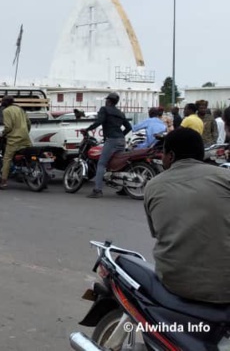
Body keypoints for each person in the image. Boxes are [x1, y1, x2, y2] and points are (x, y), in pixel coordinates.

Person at [144, 128, 230, 304]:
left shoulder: (153, 186)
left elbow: (157, 232)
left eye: (163, 153)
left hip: (176, 285)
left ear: (171, 156)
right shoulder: (225, 177)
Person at [82, 93, 132, 198]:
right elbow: (129, 127)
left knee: (101, 164)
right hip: (121, 140)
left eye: (106, 100)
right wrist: (120, 136)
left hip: (112, 140)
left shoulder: (104, 109)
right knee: (119, 164)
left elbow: (99, 121)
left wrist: (87, 129)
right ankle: (123, 188)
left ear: (108, 101)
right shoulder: (120, 113)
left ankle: (97, 190)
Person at [0, 96, 32, 190]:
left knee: (7, 159)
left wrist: (2, 134)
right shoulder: (20, 109)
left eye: (3, 101)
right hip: (25, 137)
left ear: (7, 102)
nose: (1, 102)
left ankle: (3, 182)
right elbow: (28, 123)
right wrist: (26, 132)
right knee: (28, 155)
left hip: (14, 139)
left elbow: (8, 127)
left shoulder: (6, 111)